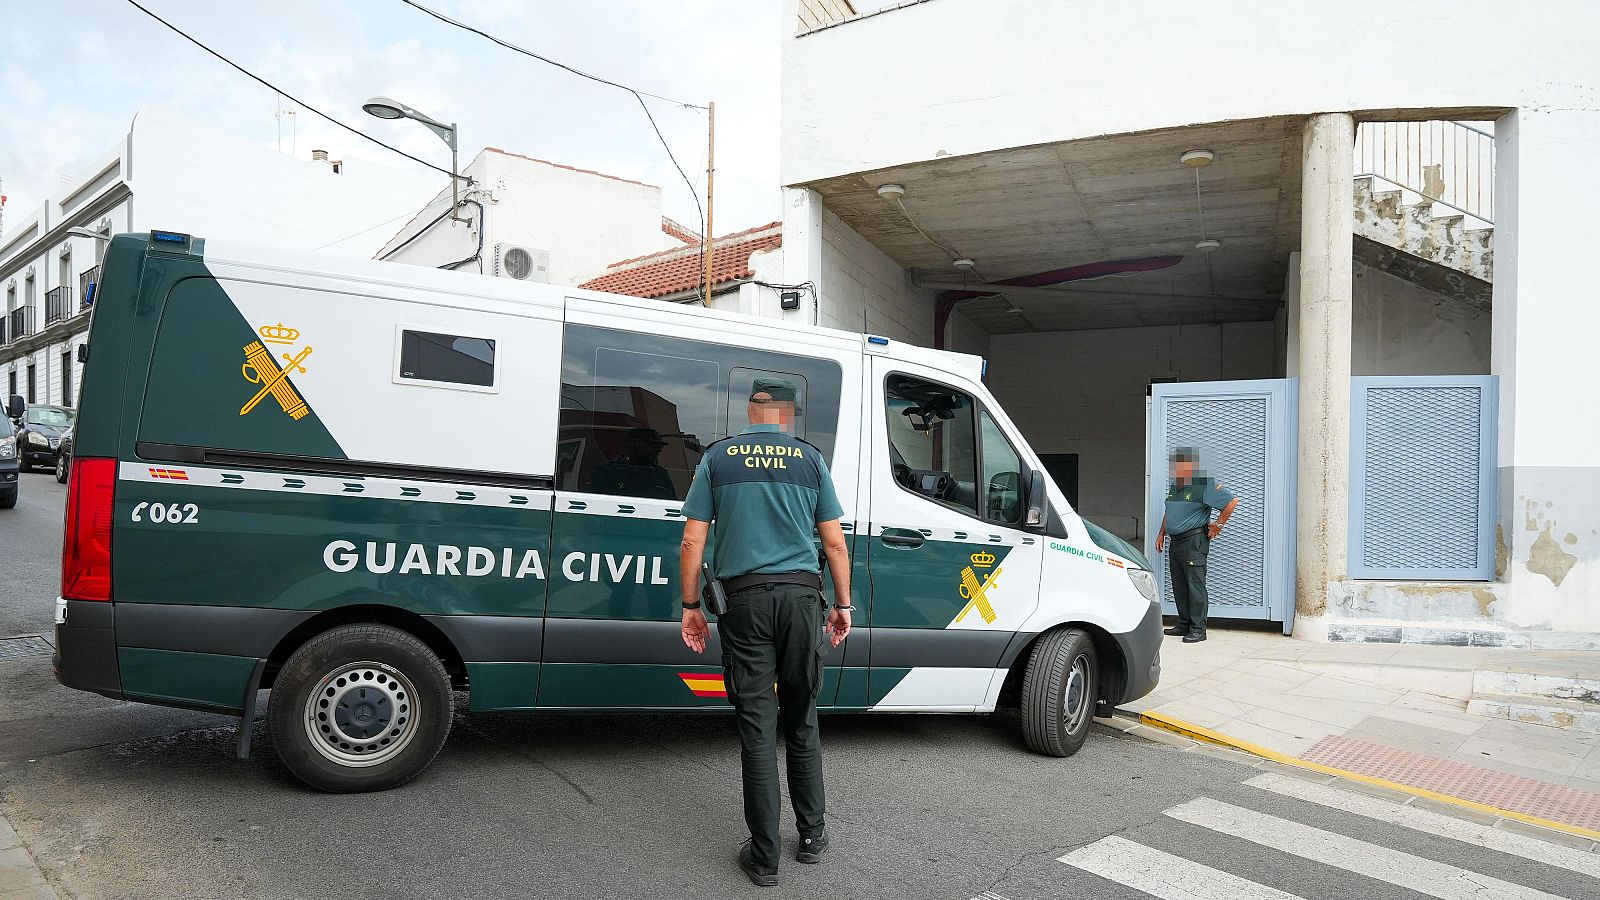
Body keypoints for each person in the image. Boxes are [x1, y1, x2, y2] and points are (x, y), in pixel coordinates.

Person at [678, 378, 852, 887]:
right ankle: (813, 836)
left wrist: (691, 606)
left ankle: (765, 857)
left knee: (757, 728)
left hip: (745, 602)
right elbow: (835, 544)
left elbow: (692, 539)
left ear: (752, 411)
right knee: (801, 719)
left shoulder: (719, 459)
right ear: (787, 414)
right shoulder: (810, 460)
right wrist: (842, 605)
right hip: (802, 601)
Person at [1155, 447, 1238, 643]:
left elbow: (1232, 502)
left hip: (1194, 542)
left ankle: (1198, 629)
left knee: (1195, 585)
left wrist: (1218, 525)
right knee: (1180, 585)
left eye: (1178, 465)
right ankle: (1184, 624)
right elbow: (1170, 511)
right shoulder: (1176, 485)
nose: (1173, 469)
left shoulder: (1204, 484)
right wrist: (1161, 533)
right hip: (1175, 543)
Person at [588, 426, 676, 499]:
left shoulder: (660, 475)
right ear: (631, 444)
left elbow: (673, 507)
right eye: (652, 445)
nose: (658, 450)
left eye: (659, 447)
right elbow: (594, 505)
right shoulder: (607, 471)